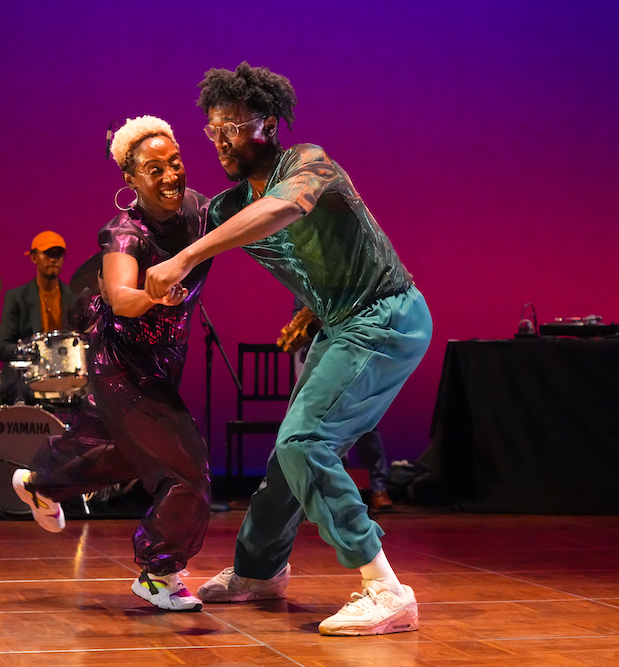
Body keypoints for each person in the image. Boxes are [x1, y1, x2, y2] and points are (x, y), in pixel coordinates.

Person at [145, 63, 433, 636]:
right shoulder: (229, 206)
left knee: (306, 442)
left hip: (387, 316)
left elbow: (284, 209)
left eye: (233, 126)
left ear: (268, 125)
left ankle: (386, 589)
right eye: (212, 129)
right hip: (340, 322)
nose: (221, 140)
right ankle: (259, 571)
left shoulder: (308, 163)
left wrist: (187, 257)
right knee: (288, 457)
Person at [12, 116, 213, 612]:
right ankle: (159, 572)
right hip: (122, 363)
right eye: (154, 169)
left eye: (175, 162)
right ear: (130, 179)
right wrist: (154, 294)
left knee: (124, 453)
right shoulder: (123, 234)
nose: (170, 175)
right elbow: (121, 298)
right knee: (186, 468)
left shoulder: (200, 211)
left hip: (163, 358)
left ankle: (41, 482)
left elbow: (251, 219)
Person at [281, 298, 393, 511]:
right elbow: (300, 316)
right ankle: (331, 491)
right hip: (319, 350)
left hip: (353, 345)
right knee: (319, 422)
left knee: (364, 417)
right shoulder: (306, 284)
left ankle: (379, 487)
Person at [0, 231, 76, 405]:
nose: (54, 259)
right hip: (27, 378)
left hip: (65, 377)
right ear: (33, 258)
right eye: (48, 254)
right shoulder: (16, 297)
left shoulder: (73, 298)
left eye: (58, 254)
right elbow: (3, 348)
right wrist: (33, 351)